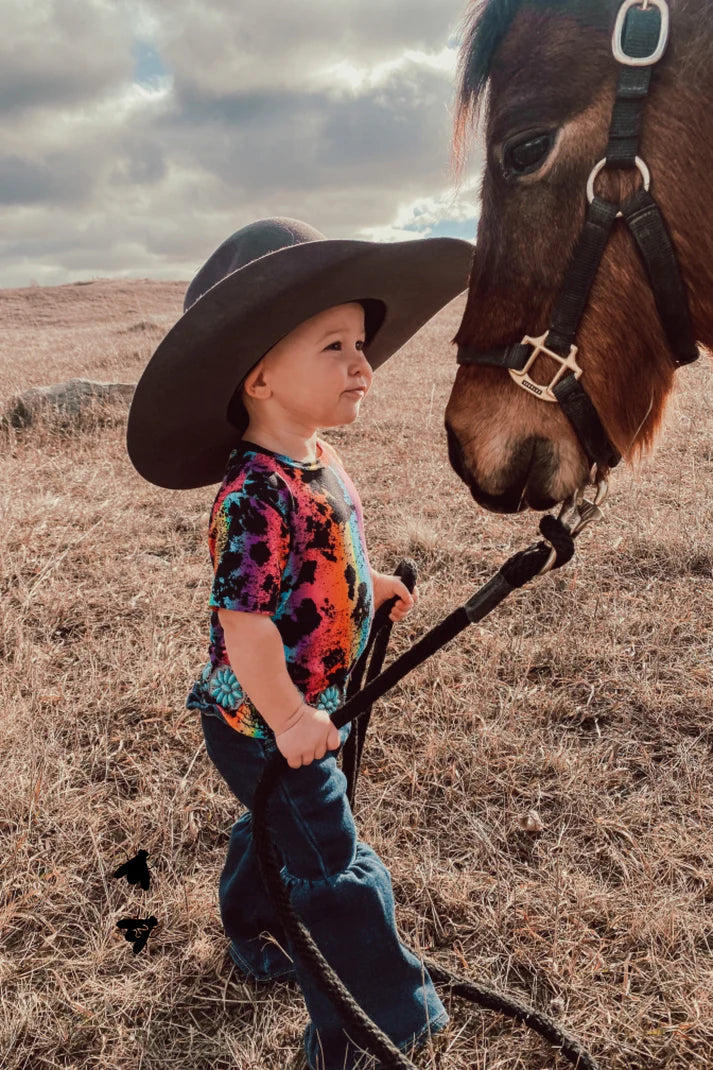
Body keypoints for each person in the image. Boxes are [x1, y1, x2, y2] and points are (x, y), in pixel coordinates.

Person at [127, 217, 473, 1069]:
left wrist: (369, 590)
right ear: (260, 378)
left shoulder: (315, 460)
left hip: (299, 707)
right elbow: (244, 625)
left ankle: (250, 928)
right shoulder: (252, 494)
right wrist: (286, 720)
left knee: (279, 828)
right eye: (334, 345)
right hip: (260, 720)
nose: (363, 363)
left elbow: (322, 564)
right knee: (334, 871)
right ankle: (368, 1027)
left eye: (361, 342)